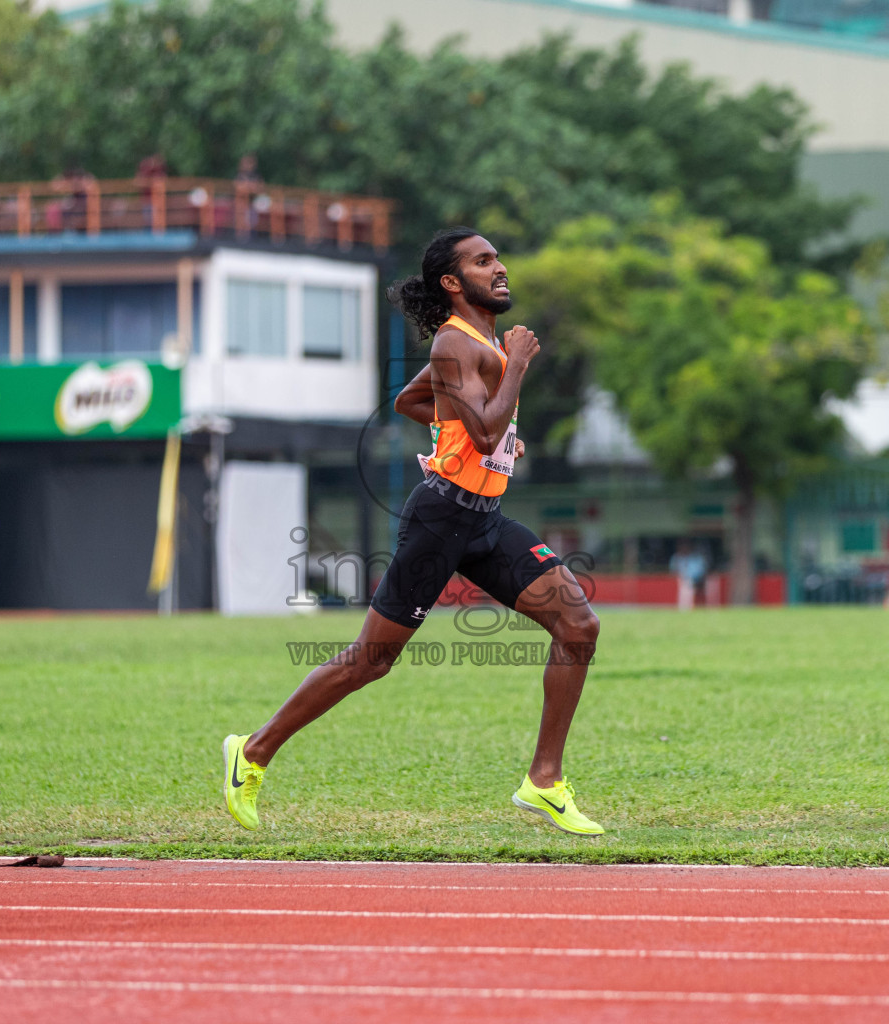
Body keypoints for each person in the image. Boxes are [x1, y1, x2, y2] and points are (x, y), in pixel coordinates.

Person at [222, 227, 604, 835]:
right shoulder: (456, 343)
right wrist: (519, 371)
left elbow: (411, 404)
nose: (500, 267)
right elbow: (481, 431)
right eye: (484, 261)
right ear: (453, 283)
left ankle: (544, 782)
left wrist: (494, 432)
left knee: (577, 623)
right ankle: (252, 752)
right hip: (442, 519)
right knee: (371, 660)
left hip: (484, 519)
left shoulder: (475, 342)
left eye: (498, 257)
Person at [670, 540, 708, 610]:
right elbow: (673, 571)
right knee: (684, 585)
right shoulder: (676, 558)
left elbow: (700, 571)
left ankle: (688, 607)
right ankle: (684, 607)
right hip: (681, 580)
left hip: (696, 581)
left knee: (688, 584)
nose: (684, 548)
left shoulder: (696, 558)